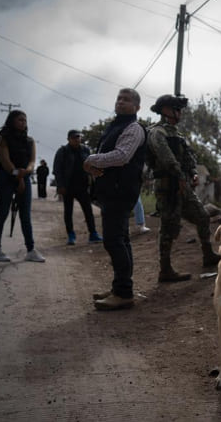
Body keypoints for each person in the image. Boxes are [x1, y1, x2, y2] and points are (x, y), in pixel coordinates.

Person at [83, 88, 146, 311]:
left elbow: (122, 156)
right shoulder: (115, 126)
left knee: (113, 241)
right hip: (112, 191)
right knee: (121, 239)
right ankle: (120, 287)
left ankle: (123, 293)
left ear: (137, 107)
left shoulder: (133, 128)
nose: (120, 102)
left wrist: (92, 159)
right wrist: (94, 167)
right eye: (119, 98)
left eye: (126, 100)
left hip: (121, 193)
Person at [147, 94, 219, 282]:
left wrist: (193, 173)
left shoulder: (176, 134)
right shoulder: (157, 132)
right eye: (176, 109)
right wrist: (179, 176)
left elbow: (187, 157)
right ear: (165, 110)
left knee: (202, 216)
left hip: (183, 185)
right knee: (168, 227)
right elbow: (167, 158)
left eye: (180, 110)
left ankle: (208, 254)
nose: (179, 113)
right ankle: (165, 270)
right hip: (168, 186)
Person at [0, 109, 44, 263]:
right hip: (6, 177)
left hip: (24, 176)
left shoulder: (29, 141)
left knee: (25, 215)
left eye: (25, 120)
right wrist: (18, 177)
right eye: (20, 120)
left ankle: (31, 250)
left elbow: (32, 161)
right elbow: (6, 163)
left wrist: (26, 172)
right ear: (12, 121)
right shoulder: (2, 139)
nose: (23, 122)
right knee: (2, 212)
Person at [53, 130, 102, 245]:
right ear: (69, 139)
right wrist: (60, 185)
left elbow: (91, 165)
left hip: (82, 186)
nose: (77, 140)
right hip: (68, 186)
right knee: (68, 211)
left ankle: (93, 234)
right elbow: (57, 169)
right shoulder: (63, 151)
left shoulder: (85, 150)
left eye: (78, 137)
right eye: (74, 138)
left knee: (88, 211)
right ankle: (71, 235)